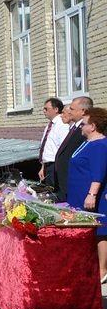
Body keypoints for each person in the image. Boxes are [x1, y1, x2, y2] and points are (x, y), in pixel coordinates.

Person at [65, 107, 107, 284]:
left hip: (92, 196)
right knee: (89, 230)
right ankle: (89, 266)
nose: (81, 126)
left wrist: (92, 194)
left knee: (100, 232)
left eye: (84, 124)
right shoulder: (88, 142)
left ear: (93, 126)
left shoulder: (100, 145)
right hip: (78, 194)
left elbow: (98, 173)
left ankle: (102, 270)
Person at [55, 96, 92, 202]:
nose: (69, 111)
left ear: (83, 111)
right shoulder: (75, 127)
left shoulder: (86, 130)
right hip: (65, 182)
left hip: (76, 183)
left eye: (72, 109)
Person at [38, 98, 68, 187]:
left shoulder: (62, 124)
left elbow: (63, 148)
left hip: (55, 165)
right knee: (48, 190)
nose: (44, 111)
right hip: (47, 165)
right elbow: (47, 148)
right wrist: (43, 167)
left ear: (56, 109)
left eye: (46, 109)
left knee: (55, 191)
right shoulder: (50, 124)